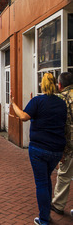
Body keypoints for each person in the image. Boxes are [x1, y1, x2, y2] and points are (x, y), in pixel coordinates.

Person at [10, 73, 67, 225]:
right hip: (56, 149)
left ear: (43, 85)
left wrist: (13, 104)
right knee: (46, 179)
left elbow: (23, 116)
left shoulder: (37, 101)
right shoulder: (61, 103)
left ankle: (43, 219)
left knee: (41, 183)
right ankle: (46, 214)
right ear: (55, 85)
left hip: (39, 149)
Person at [51, 72, 73, 216]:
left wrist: (60, 149)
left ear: (60, 85)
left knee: (64, 174)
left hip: (70, 144)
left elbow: (60, 125)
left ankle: (58, 204)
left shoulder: (61, 99)